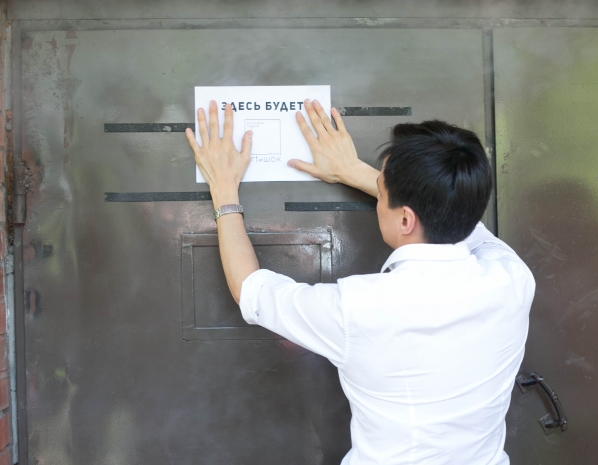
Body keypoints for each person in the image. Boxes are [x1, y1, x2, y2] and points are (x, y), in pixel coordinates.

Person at [185, 99, 535, 465]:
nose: (378, 195)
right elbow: (461, 218)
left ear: (405, 220)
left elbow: (250, 290)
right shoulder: (512, 278)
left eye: (381, 190)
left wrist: (223, 189)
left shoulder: (357, 308)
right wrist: (353, 171)